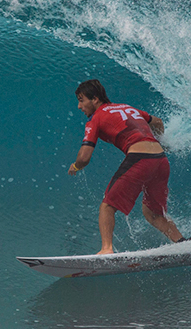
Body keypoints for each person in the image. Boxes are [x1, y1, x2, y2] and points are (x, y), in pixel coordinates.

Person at [68, 79, 184, 254]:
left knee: (107, 207)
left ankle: (106, 250)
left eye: (81, 100)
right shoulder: (127, 108)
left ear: (95, 99)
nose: (79, 106)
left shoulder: (96, 118)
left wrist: (76, 167)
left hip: (140, 159)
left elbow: (84, 158)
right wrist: (159, 142)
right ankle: (182, 243)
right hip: (160, 160)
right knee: (153, 214)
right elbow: (158, 122)